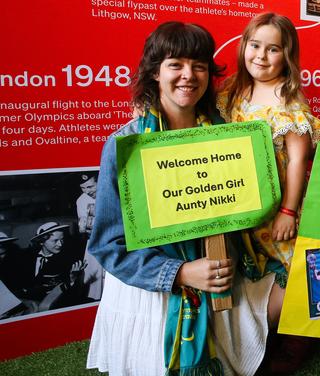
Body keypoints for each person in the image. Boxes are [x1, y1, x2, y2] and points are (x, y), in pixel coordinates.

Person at [87, 22, 283, 376]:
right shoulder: (125, 146)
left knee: (300, 284)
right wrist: (179, 272)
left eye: (199, 65)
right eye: (175, 64)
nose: (188, 75)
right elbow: (108, 244)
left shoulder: (227, 133)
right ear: (155, 73)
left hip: (222, 268)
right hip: (158, 288)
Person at [218, 12, 320, 286]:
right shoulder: (233, 88)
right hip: (245, 204)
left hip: (278, 204)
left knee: (296, 275)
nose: (261, 56)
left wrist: (288, 212)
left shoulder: (287, 97)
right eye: (255, 45)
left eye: (273, 49)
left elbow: (297, 159)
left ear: (286, 55)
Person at [20, 222, 85, 311]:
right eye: (55, 240)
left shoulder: (68, 260)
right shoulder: (25, 258)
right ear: (42, 241)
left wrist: (72, 279)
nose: (60, 244)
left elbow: (72, 296)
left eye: (62, 240)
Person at [76, 173, 104, 301]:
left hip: (117, 240)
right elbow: (84, 228)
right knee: (94, 285)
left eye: (91, 186)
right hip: (94, 241)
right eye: (83, 188)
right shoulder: (82, 200)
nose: (87, 191)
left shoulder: (112, 191)